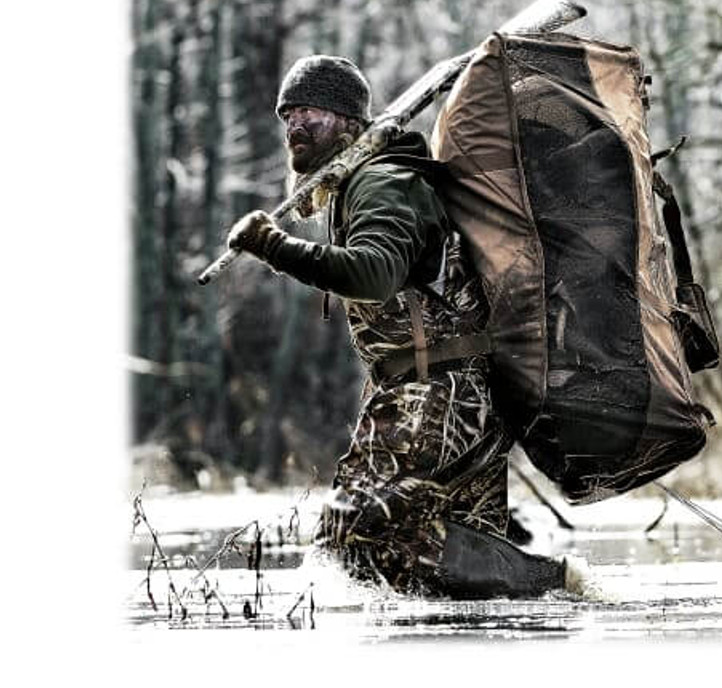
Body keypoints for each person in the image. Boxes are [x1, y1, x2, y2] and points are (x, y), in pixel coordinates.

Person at [227, 54, 587, 598]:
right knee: (450, 568)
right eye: (289, 115)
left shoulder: (381, 182)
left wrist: (274, 247)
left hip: (435, 394)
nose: (296, 126)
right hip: (447, 391)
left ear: (349, 122)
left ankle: (553, 582)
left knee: (360, 536)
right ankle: (541, 602)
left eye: (313, 112)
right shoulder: (369, 181)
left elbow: (372, 274)